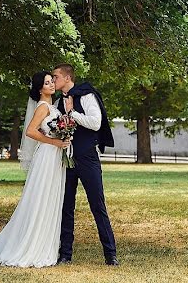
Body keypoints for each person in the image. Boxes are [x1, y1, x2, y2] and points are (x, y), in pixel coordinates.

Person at [0, 71, 71, 267]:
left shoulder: (53, 106)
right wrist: (54, 141)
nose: (51, 85)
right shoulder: (43, 107)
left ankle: (46, 246)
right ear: (40, 88)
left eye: (52, 81)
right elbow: (31, 131)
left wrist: (64, 137)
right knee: (40, 198)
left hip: (56, 156)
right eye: (47, 83)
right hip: (47, 156)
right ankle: (29, 246)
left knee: (51, 198)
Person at [53, 63, 118, 266]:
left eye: (56, 77)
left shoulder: (87, 96)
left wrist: (73, 114)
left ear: (67, 77)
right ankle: (65, 254)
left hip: (88, 158)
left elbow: (96, 123)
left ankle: (110, 254)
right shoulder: (57, 103)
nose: (53, 80)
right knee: (66, 207)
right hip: (67, 160)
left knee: (98, 206)